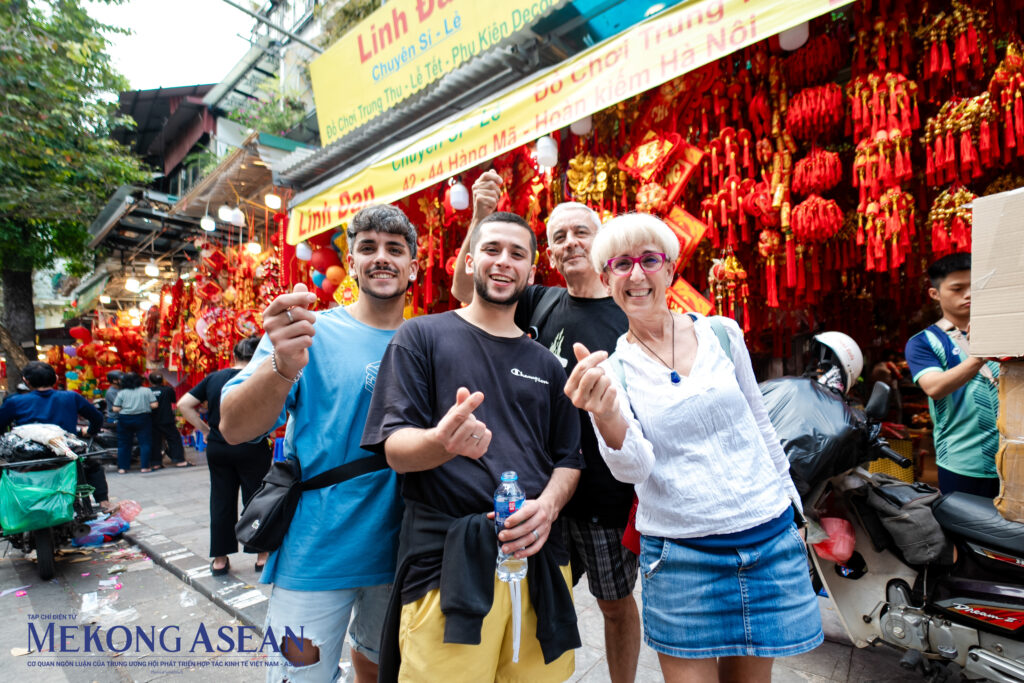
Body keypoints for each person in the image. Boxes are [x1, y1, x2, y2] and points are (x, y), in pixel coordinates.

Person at [564, 213, 822, 683]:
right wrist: (605, 414)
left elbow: (761, 425)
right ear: (605, 279)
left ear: (670, 268)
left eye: (649, 260)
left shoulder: (722, 333)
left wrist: (794, 510)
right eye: (621, 264)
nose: (637, 274)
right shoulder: (615, 371)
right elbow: (634, 469)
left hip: (767, 540)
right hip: (682, 559)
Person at [363, 211, 583, 683]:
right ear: (468, 261)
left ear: (531, 271)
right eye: (491, 249)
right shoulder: (421, 336)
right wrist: (442, 443)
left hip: (538, 559)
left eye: (517, 254)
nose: (503, 262)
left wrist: (547, 508)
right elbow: (395, 448)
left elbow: (569, 459)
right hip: (447, 564)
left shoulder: (547, 364)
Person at [451, 172, 640, 683]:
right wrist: (480, 216)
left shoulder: (628, 313)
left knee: (614, 603)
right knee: (535, 595)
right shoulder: (540, 300)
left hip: (604, 494)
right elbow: (465, 288)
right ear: (549, 255)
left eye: (581, 232)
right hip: (540, 488)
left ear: (601, 242)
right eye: (559, 236)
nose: (571, 242)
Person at [219, 204, 419, 683]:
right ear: (351, 263)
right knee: (297, 676)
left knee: (385, 669)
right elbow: (234, 427)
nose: (381, 257)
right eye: (368, 247)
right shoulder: (307, 332)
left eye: (395, 249)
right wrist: (282, 365)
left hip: (403, 552)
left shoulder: (430, 339)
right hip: (314, 552)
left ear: (414, 266)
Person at [905, 252, 1000, 497]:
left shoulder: (1006, 334)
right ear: (934, 293)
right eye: (957, 289)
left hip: (1015, 458)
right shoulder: (923, 342)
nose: (968, 295)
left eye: (973, 287)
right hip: (963, 462)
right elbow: (934, 387)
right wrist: (979, 356)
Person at [178, 337, 269, 576]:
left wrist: (205, 429)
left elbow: (184, 404)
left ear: (234, 356)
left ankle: (220, 560)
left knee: (220, 499)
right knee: (256, 499)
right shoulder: (260, 376)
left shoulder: (214, 378)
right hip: (252, 446)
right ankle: (261, 555)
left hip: (219, 446)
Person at [0, 361, 113, 512]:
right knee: (93, 465)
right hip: (65, 454)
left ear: (26, 381)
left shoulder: (14, 401)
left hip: (29, 459)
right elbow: (97, 418)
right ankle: (104, 503)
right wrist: (90, 431)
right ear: (56, 379)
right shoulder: (71, 397)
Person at [112, 372, 157, 474]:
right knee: (145, 443)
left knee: (124, 444)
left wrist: (126, 408)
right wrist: (144, 405)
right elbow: (154, 405)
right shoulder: (146, 391)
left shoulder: (122, 393)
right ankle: (145, 467)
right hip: (143, 418)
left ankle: (122, 468)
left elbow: (115, 408)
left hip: (125, 419)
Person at [148, 371, 190, 468]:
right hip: (167, 419)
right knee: (174, 439)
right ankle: (179, 460)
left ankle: (156, 463)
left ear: (150, 381)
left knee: (155, 440)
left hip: (152, 420)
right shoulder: (168, 390)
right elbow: (173, 400)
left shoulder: (148, 391)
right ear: (162, 380)